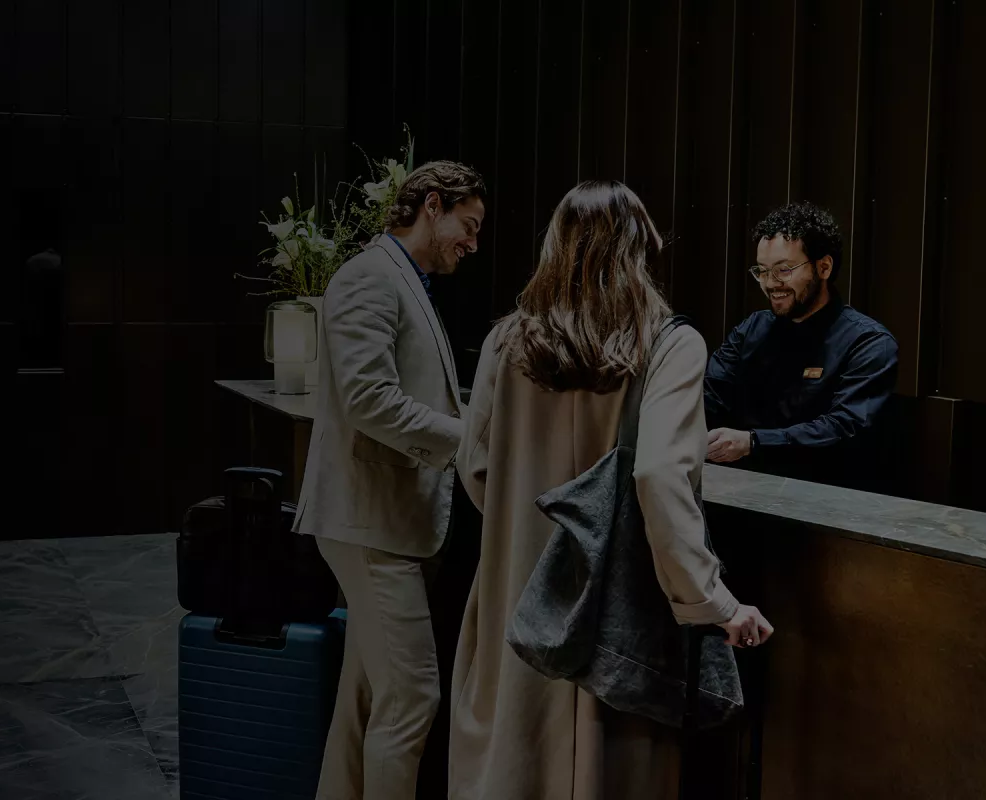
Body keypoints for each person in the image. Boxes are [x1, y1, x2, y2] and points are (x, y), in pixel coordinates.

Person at [450, 181, 772, 799]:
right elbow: (659, 475)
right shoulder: (670, 343)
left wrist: (532, 529)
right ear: (639, 250)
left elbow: (475, 465)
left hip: (519, 591)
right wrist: (715, 603)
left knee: (511, 763)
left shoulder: (506, 340)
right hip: (620, 611)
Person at [295, 160, 487, 800]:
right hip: (370, 522)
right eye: (469, 224)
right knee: (411, 700)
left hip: (385, 523)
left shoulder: (402, 277)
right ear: (433, 204)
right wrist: (473, 438)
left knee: (367, 696)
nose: (473, 242)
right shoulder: (368, 277)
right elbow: (367, 399)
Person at [703, 201, 899, 490]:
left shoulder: (868, 342)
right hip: (743, 490)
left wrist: (752, 442)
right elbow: (709, 396)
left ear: (824, 267)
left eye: (783, 270)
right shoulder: (751, 330)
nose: (770, 284)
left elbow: (844, 428)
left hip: (824, 501)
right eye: (762, 271)